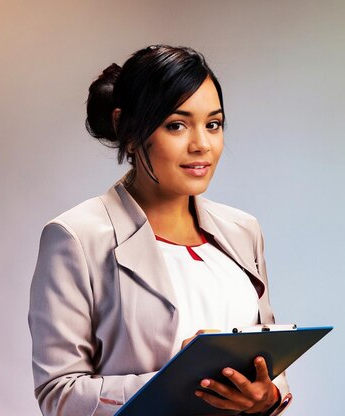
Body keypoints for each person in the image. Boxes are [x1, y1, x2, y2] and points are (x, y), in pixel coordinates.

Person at [28, 45, 292, 416]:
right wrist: (176, 379)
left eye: (213, 124)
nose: (202, 145)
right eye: (176, 125)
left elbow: (268, 358)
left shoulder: (243, 230)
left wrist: (267, 396)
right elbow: (59, 394)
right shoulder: (75, 237)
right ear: (128, 129)